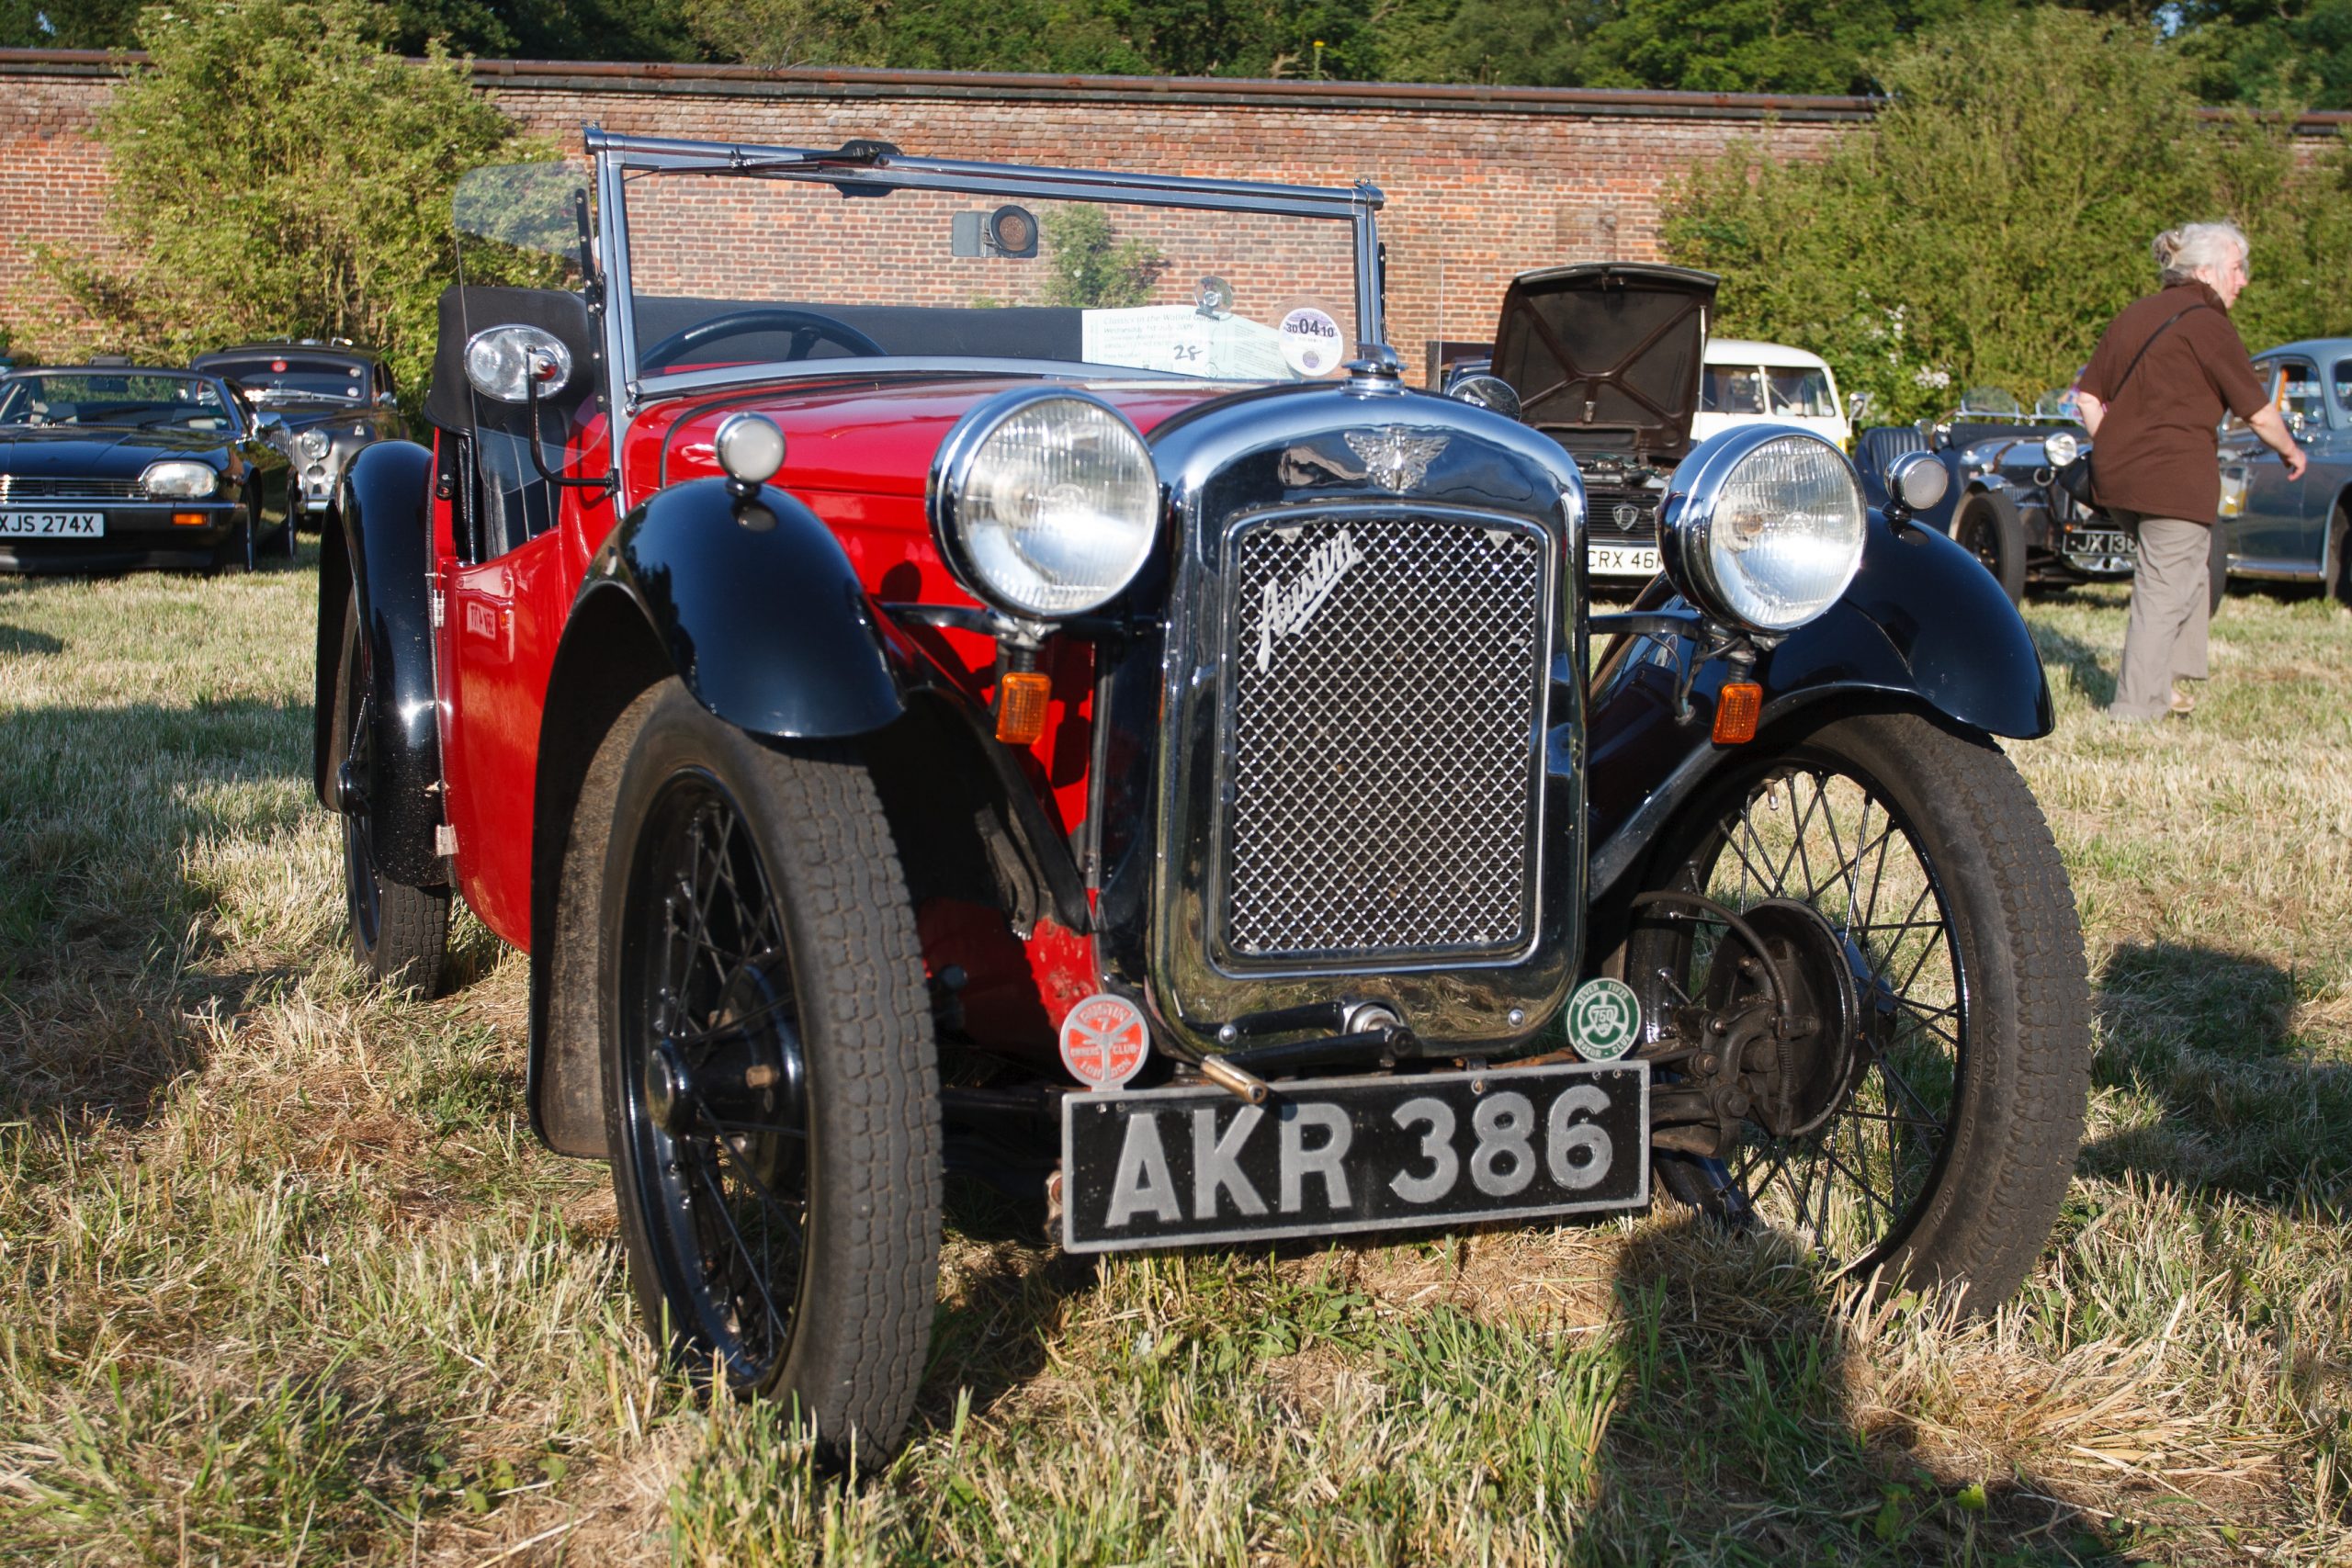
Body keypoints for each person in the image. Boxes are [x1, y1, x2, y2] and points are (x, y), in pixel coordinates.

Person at [2075, 221, 2303, 722]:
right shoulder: (2208, 325)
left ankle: (2168, 681)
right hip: (2174, 481)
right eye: (2237, 269)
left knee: (2190, 572)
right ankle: (2135, 709)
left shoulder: (2134, 315)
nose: (2243, 280)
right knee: (2163, 589)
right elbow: (2257, 412)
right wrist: (2292, 452)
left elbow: (2087, 397)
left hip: (2115, 478)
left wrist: (2116, 446)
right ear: (2204, 272)